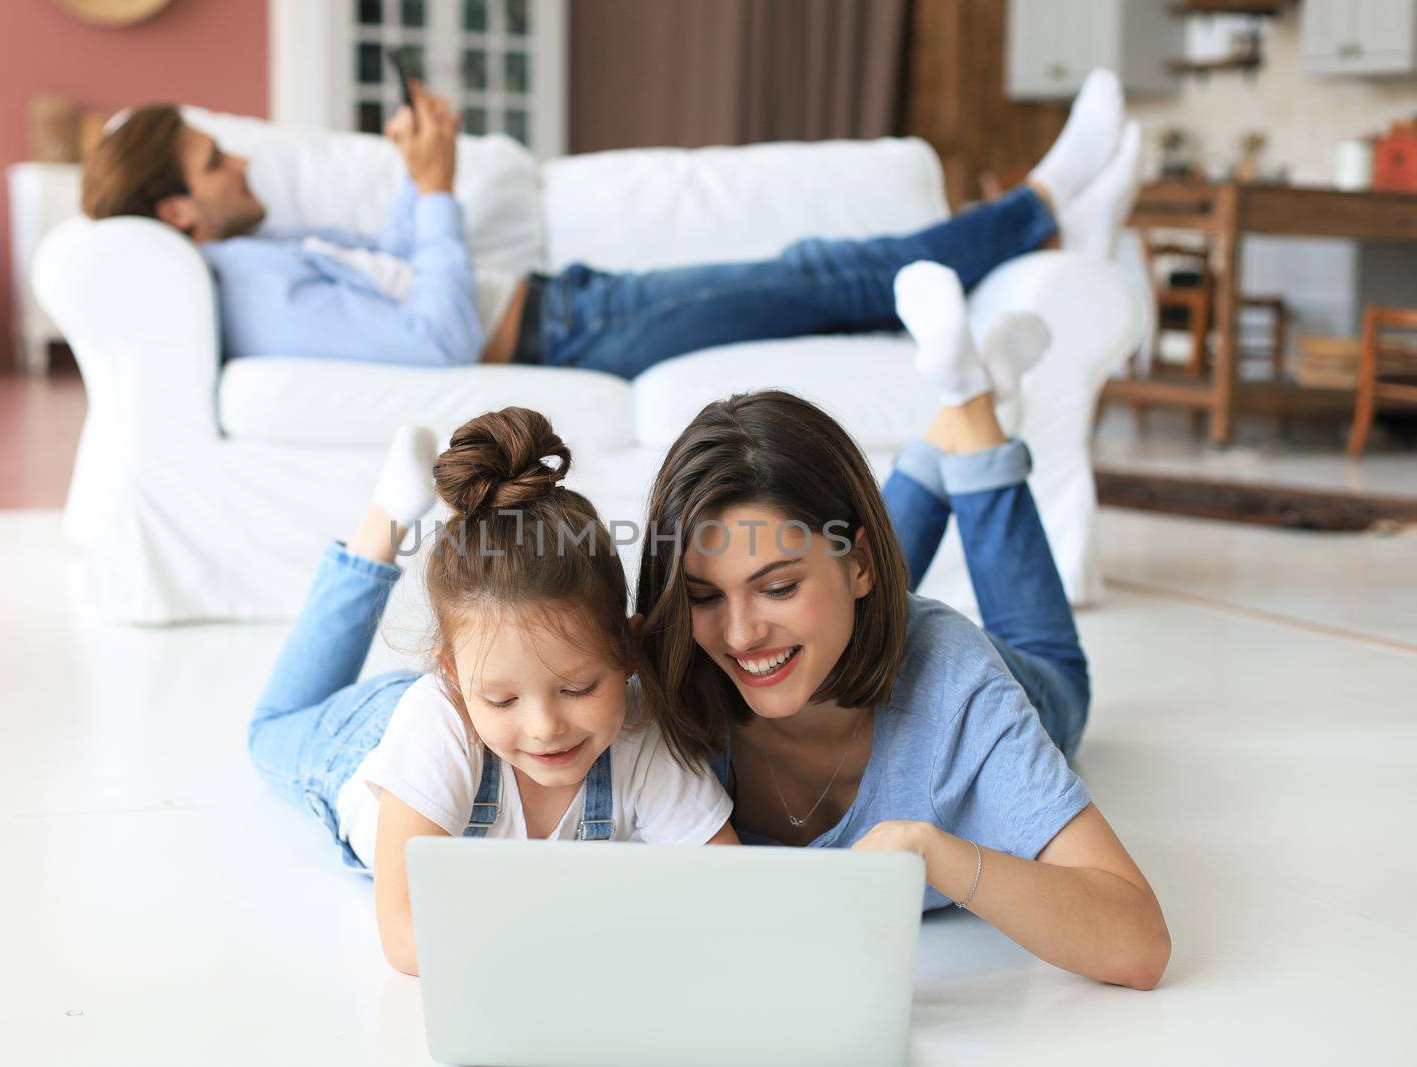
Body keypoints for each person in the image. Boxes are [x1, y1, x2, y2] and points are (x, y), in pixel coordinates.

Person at [631, 261, 1171, 990]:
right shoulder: (670, 665)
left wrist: (938, 852)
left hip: (1018, 675)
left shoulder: (959, 688)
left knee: (1052, 663)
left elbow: (1139, 942)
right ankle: (957, 403)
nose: (737, 633)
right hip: (846, 611)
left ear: (861, 565)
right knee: (816, 598)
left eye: (775, 586)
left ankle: (971, 406)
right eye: (703, 595)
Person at [79, 71, 1142, 380]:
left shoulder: (249, 258)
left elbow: (406, 280)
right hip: (574, 334)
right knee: (824, 274)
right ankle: (1043, 203)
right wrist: (444, 194)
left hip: (572, 304)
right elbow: (436, 340)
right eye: (216, 165)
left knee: (823, 287)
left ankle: (1054, 233)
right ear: (178, 211)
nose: (244, 163)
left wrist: (421, 175)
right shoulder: (247, 289)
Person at [247, 409, 737, 976]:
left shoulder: (640, 732)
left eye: (578, 687)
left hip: (473, 696)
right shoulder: (436, 721)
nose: (545, 726)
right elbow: (405, 936)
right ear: (453, 675)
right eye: (507, 701)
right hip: (367, 740)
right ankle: (383, 522)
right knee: (270, 728)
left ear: (627, 651)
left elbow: (727, 890)